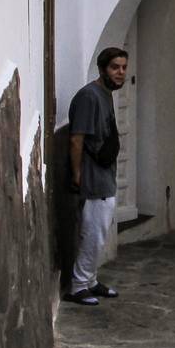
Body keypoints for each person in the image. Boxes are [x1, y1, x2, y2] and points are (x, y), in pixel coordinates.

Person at [66, 46, 127, 305]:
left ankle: (90, 279)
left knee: (100, 229)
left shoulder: (105, 94)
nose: (121, 73)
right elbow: (77, 139)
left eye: (123, 68)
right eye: (115, 67)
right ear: (103, 69)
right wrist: (77, 174)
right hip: (94, 178)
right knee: (94, 231)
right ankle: (79, 284)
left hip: (105, 175)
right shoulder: (89, 97)